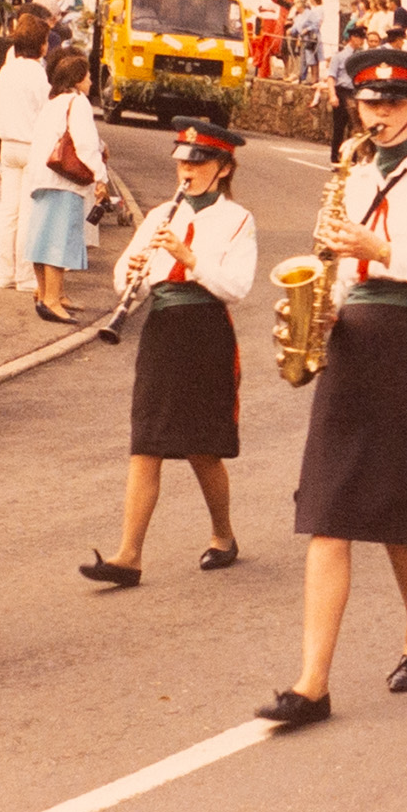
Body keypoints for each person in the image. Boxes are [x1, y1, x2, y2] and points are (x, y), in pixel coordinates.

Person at [257, 48, 407, 727]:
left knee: (400, 511)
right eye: (369, 101)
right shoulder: (350, 174)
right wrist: (324, 306)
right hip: (352, 337)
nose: (378, 112)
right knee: (329, 512)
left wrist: (377, 249)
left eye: (393, 101)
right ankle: (312, 682)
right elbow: (338, 266)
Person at [80, 119, 256, 587]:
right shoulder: (161, 214)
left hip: (206, 330)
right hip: (162, 327)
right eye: (182, 160)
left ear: (222, 167)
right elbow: (126, 273)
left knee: (203, 448)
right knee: (147, 442)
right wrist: (131, 271)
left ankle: (223, 535)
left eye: (198, 162)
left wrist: (190, 258)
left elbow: (236, 287)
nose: (187, 169)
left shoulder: (238, 219)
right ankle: (128, 557)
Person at [24, 53, 107, 323]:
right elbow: (85, 144)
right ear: (77, 79)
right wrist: (100, 175)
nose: (92, 81)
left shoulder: (53, 103)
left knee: (41, 237)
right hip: (64, 180)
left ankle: (48, 293)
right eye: (89, 76)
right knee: (58, 240)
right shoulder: (78, 102)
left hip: (41, 177)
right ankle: (51, 300)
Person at [0, 14, 52, 291]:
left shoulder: (7, 70)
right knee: (29, 212)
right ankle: (24, 275)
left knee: (8, 211)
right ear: (41, 45)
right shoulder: (37, 72)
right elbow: (46, 111)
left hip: (7, 143)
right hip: (31, 145)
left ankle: (3, 271)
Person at [323, 25, 367, 162]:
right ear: (352, 38)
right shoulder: (340, 56)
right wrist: (332, 95)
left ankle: (351, 158)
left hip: (355, 92)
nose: (362, 41)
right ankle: (335, 158)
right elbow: (331, 76)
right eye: (360, 38)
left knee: (354, 127)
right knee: (339, 127)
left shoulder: (360, 57)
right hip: (342, 91)